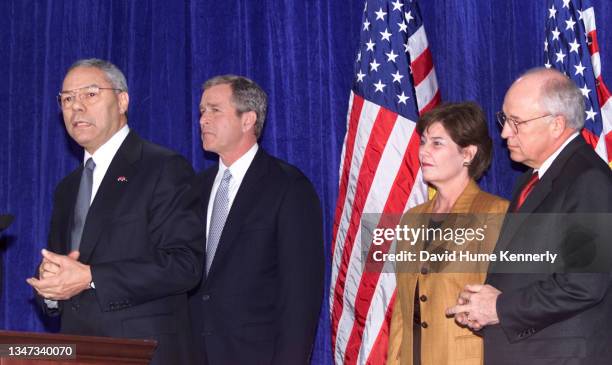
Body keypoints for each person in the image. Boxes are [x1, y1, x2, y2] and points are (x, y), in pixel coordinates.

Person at [26, 58, 203, 364]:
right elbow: (68, 270)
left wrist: (91, 277)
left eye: (90, 94)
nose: (76, 107)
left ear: (122, 100)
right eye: (67, 99)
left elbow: (184, 264)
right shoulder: (67, 188)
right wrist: (51, 288)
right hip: (78, 351)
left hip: (143, 351)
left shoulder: (162, 167)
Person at [446, 68, 612, 364]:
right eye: (504, 120)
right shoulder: (530, 180)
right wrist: (485, 309)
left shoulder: (588, 179)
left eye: (516, 122)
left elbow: (584, 284)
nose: (505, 132)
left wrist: (500, 308)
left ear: (556, 124)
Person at [188, 75, 324, 364]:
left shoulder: (288, 187)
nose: (203, 120)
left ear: (248, 120)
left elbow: (300, 296)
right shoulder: (194, 188)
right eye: (202, 111)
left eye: (214, 110)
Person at [386, 102, 509, 365]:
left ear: (467, 153)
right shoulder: (412, 219)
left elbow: (505, 304)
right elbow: (403, 308)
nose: (423, 152)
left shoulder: (496, 214)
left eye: (437, 143)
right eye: (423, 141)